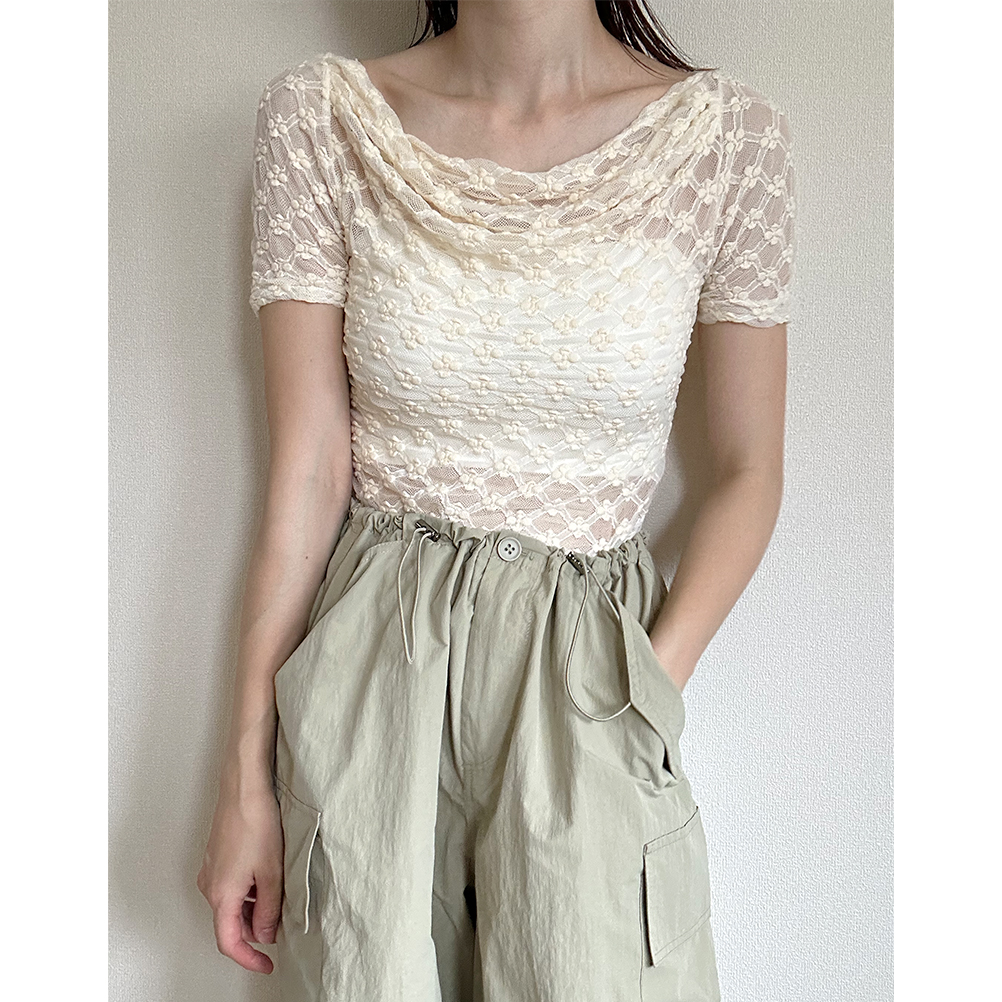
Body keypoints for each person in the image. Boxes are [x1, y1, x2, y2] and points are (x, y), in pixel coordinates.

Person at [196, 1, 795, 999]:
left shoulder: (729, 143)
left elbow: (749, 470)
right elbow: (307, 469)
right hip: (371, 673)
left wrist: (644, 690)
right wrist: (244, 778)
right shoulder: (321, 119)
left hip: (590, 677)